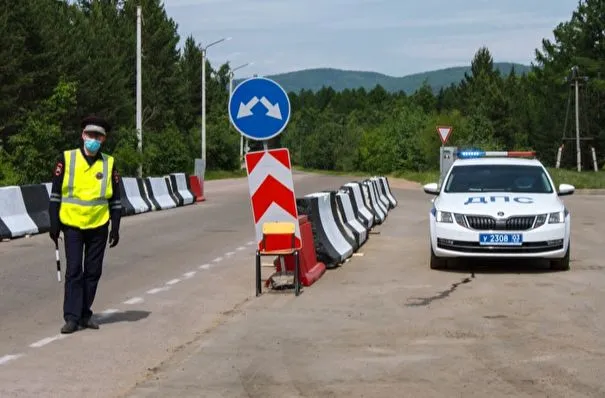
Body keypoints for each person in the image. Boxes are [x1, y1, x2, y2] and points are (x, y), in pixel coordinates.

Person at [49, 115, 122, 334]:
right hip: (72, 225)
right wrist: (54, 224)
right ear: (82, 135)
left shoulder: (109, 163)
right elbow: (55, 195)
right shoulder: (66, 159)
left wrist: (115, 227)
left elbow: (116, 200)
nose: (93, 139)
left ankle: (84, 313)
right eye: (90, 135)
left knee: (93, 272)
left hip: (99, 226)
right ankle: (71, 317)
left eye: (98, 136)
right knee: (74, 271)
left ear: (104, 139)